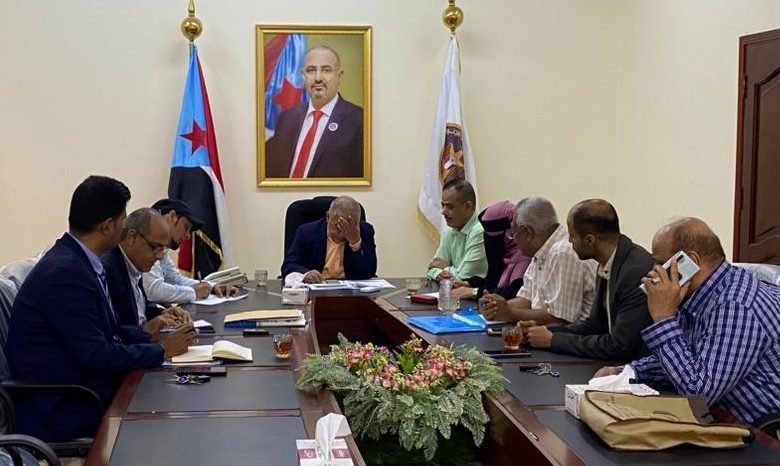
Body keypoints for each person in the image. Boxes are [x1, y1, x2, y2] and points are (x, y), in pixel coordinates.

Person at [4, 176, 195, 442]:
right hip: (64, 406)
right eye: (123, 220)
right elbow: (96, 354)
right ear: (107, 226)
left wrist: (148, 335)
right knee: (166, 417)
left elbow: (105, 334)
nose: (125, 227)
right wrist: (161, 351)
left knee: (169, 397)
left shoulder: (78, 262)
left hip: (80, 389)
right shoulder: (66, 273)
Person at [594, 218, 780, 425]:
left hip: (764, 430)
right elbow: (687, 360)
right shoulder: (702, 293)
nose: (653, 272)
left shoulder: (735, 305)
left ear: (690, 261)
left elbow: (698, 394)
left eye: (660, 263)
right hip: (725, 417)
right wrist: (628, 371)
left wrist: (663, 318)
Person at [521, 200, 653, 359]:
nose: (569, 241)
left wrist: (553, 340)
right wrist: (543, 332)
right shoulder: (608, 260)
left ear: (590, 240)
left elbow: (619, 345)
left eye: (572, 236)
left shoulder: (634, 272)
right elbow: (595, 326)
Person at [479, 197, 596, 326]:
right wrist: (495, 307)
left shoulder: (563, 252)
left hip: (576, 335)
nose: (514, 240)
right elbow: (527, 299)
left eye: (513, 234)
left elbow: (558, 319)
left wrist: (509, 313)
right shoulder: (540, 251)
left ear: (527, 233)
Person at [265, 45, 363, 179]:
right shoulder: (286, 119)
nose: (318, 78)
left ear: (339, 76)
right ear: (303, 76)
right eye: (311, 70)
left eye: (326, 70)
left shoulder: (359, 121)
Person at [102, 208, 193, 331]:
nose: (160, 256)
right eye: (156, 247)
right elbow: (115, 332)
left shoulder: (134, 264)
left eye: (163, 249)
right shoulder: (108, 270)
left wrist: (163, 313)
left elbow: (140, 309)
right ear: (132, 237)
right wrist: (148, 333)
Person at [144, 198, 238, 304]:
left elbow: (176, 280)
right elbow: (152, 290)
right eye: (186, 227)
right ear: (172, 217)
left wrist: (211, 287)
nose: (188, 236)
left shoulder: (164, 249)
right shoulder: (146, 242)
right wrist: (194, 292)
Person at [281, 196, 376, 283]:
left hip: (350, 291)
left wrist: (355, 242)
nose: (344, 230)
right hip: (316, 288)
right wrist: (305, 274)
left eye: (351, 224)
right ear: (328, 217)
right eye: (339, 225)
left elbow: (369, 272)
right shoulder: (307, 232)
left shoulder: (365, 231)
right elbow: (289, 265)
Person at [451, 200, 531, 301]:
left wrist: (474, 292)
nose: (492, 243)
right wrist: (469, 284)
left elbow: (512, 296)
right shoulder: (505, 255)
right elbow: (493, 282)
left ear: (510, 233)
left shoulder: (526, 256)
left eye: (495, 238)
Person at [427, 179, 488, 283]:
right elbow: (431, 268)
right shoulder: (451, 231)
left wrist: (443, 268)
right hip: (453, 291)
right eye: (443, 205)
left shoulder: (480, 231)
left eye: (450, 207)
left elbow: (463, 278)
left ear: (468, 206)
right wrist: (439, 272)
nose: (443, 212)